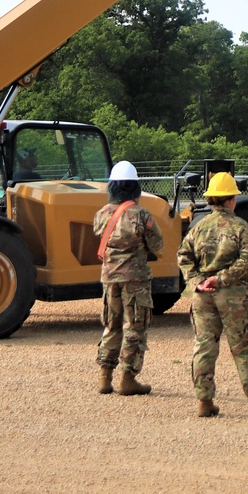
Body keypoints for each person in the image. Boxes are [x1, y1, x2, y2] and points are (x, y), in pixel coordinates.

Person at [176, 171, 248, 419]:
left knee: (204, 347)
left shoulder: (198, 227)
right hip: (233, 296)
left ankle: (204, 402)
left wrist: (197, 281)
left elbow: (182, 256)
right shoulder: (241, 227)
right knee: (243, 347)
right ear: (231, 200)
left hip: (203, 296)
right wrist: (222, 279)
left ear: (212, 199)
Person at [93, 160, 163, 395]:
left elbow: (99, 235)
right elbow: (158, 245)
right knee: (134, 326)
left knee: (111, 325)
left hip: (109, 277)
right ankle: (127, 378)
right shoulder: (142, 214)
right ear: (135, 187)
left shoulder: (102, 214)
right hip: (136, 280)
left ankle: (104, 378)